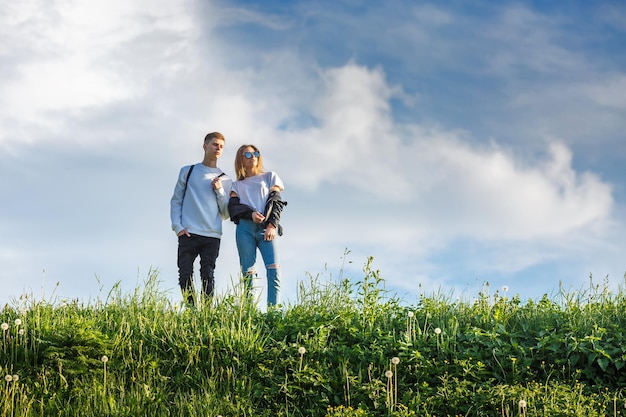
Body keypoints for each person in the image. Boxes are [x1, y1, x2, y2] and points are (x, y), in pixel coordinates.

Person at [170, 132, 231, 306]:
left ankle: (205, 314)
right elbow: (176, 201)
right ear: (205, 146)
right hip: (188, 232)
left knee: (207, 274)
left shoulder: (225, 179)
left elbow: (226, 214)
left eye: (221, 146)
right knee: (185, 273)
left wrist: (219, 191)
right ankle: (191, 311)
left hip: (212, 235)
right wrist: (177, 227)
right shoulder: (188, 171)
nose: (218, 148)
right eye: (214, 144)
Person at [228, 144, 287, 307]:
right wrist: (250, 214)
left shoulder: (269, 177)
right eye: (247, 154)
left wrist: (272, 225)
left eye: (256, 153)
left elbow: (276, 202)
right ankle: (249, 312)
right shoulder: (236, 185)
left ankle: (273, 313)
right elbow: (233, 208)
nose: (253, 156)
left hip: (266, 228)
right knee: (248, 272)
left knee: (274, 268)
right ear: (240, 159)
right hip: (245, 230)